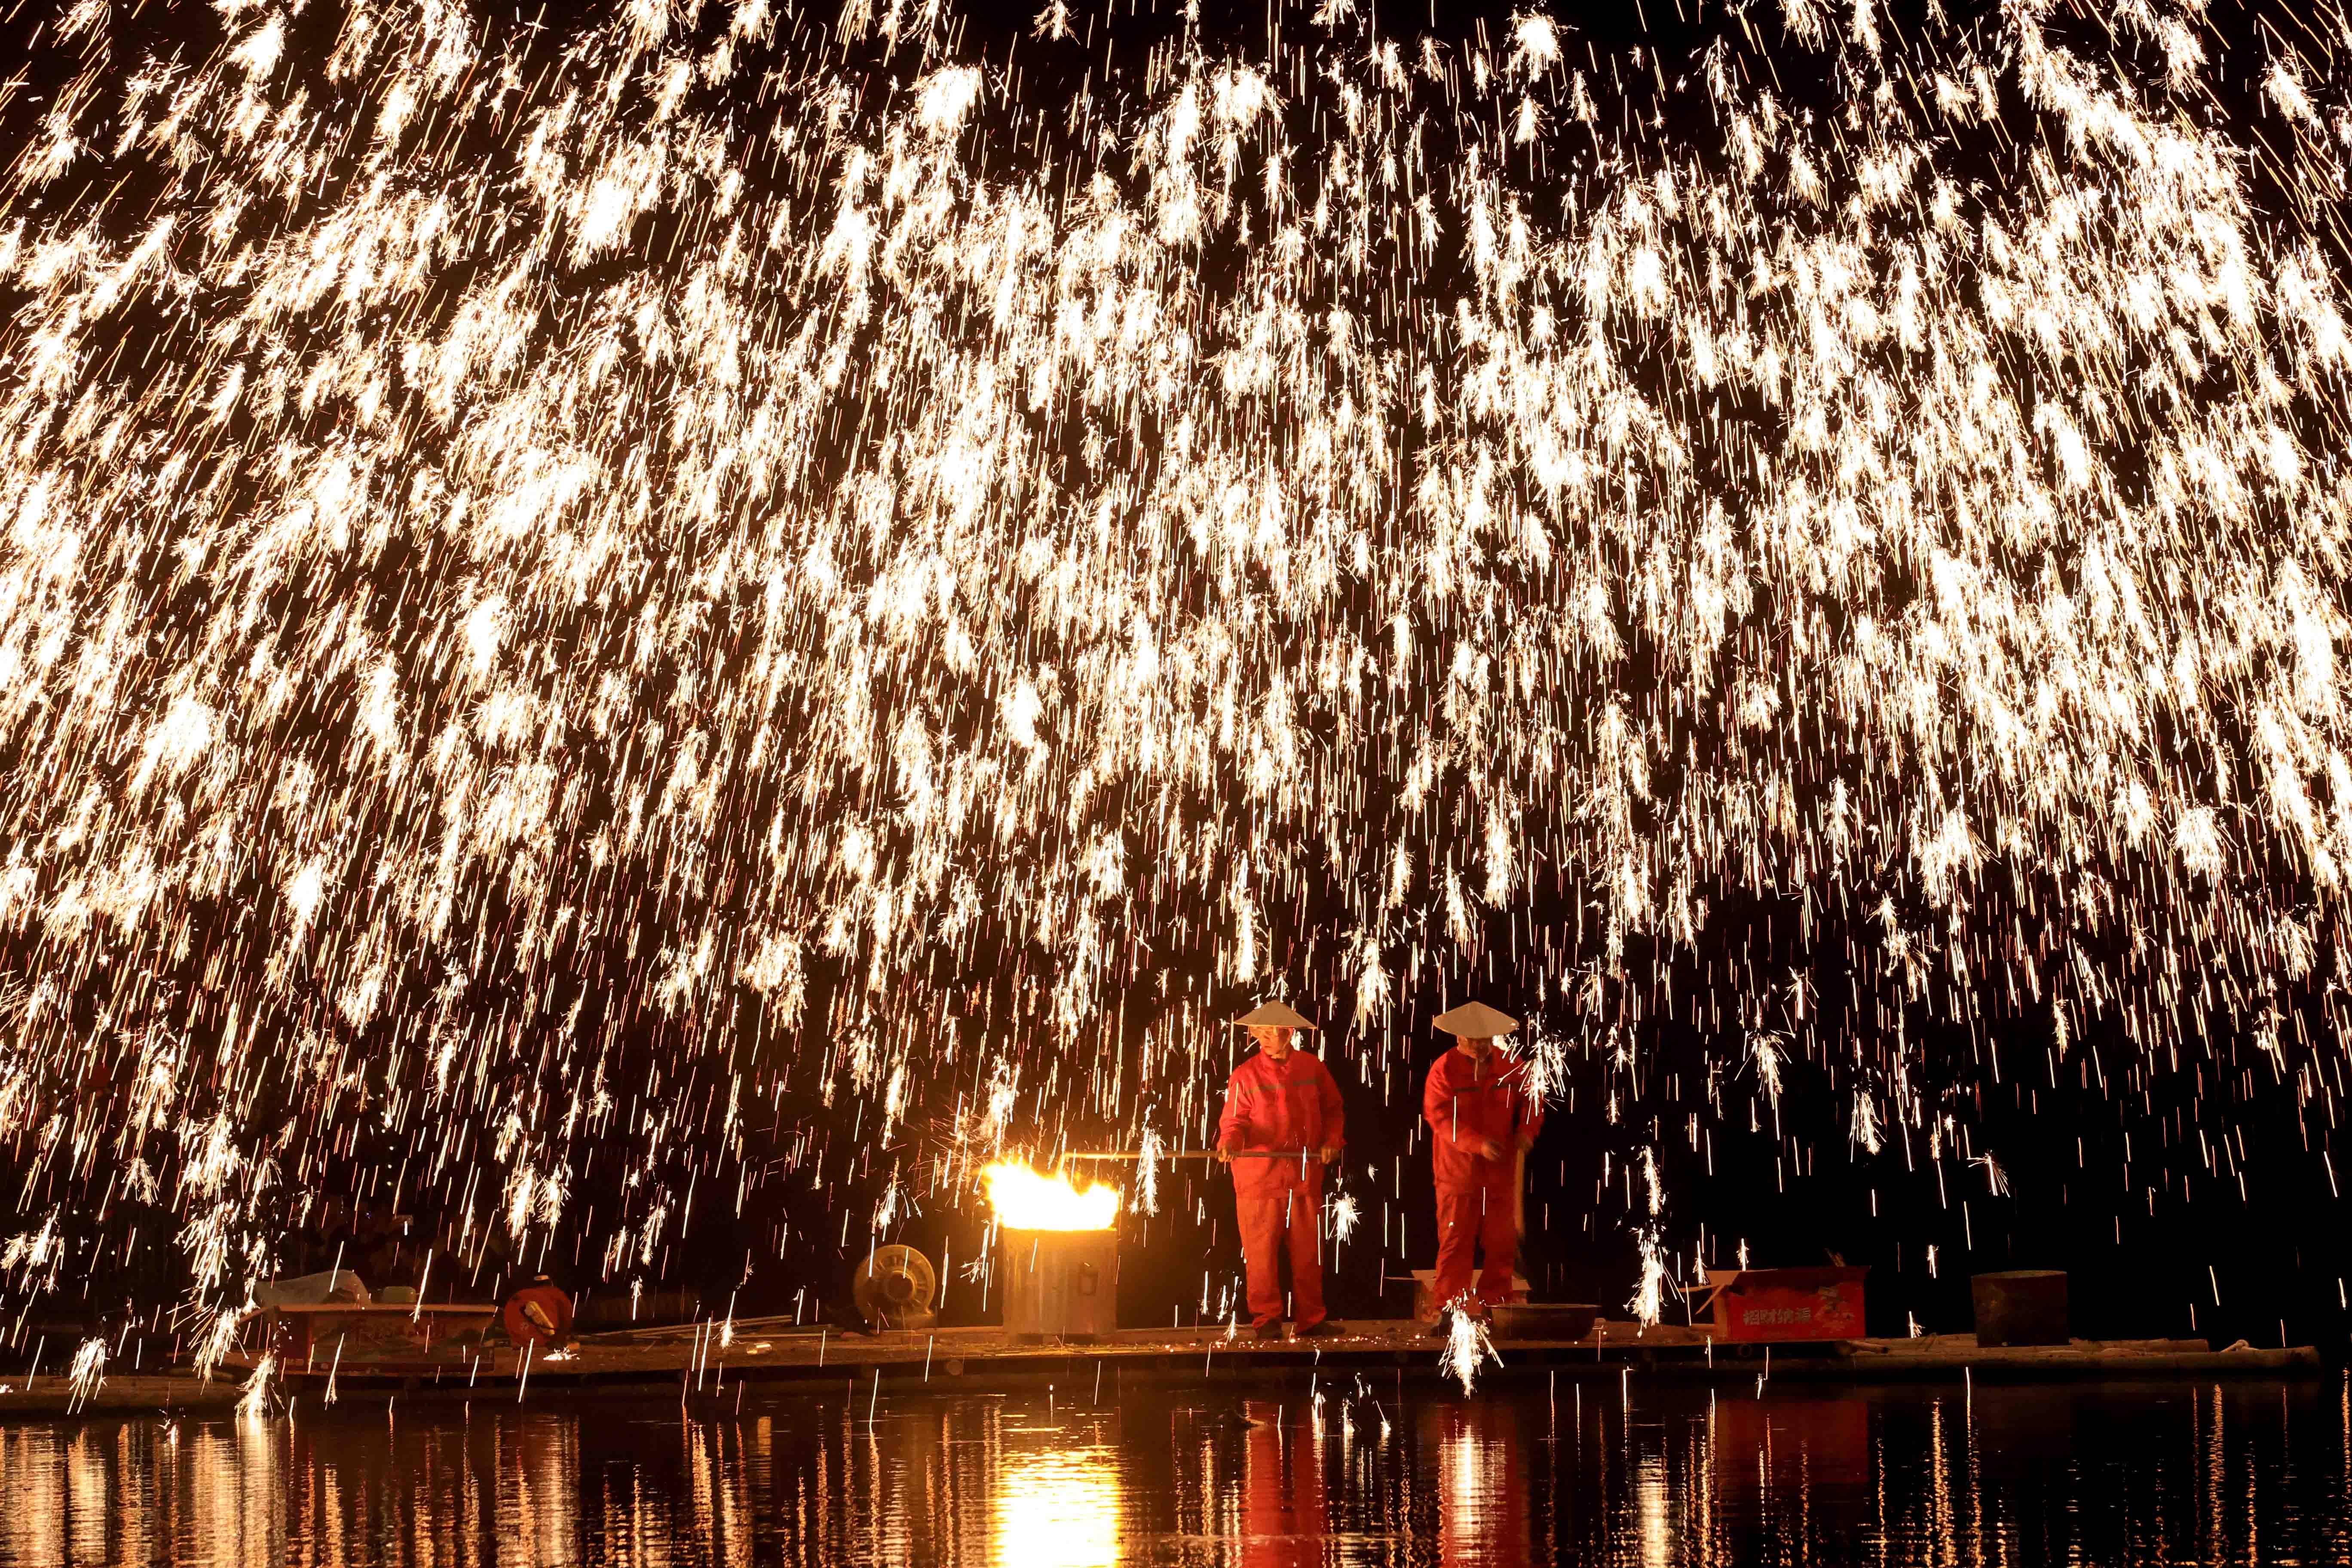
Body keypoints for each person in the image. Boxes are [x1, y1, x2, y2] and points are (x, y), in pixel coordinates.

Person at [1217, 1001, 1346, 1340]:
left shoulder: (1312, 1068)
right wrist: (1230, 1143)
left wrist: (1333, 1141)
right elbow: (1234, 1122)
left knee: (1308, 1254)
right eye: (1260, 1032)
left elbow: (1334, 1110)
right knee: (1260, 1255)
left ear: (1289, 1033)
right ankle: (1267, 1320)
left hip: (1304, 1176)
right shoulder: (1244, 1075)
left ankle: (1312, 1320)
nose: (1265, 1037)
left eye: (1272, 1031)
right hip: (1259, 1179)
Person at [1422, 1001, 1541, 1332]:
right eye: (1473, 1038)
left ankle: (1497, 1312)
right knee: (1455, 1244)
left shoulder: (1510, 1065)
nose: (1478, 1044)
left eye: (1484, 1038)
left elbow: (1533, 1098)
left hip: (1500, 1173)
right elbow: (1440, 1117)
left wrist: (1527, 1131)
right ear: (1459, 1036)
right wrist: (1477, 1144)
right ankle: (1449, 1312)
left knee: (1501, 1246)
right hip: (1457, 1173)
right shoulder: (1443, 1069)